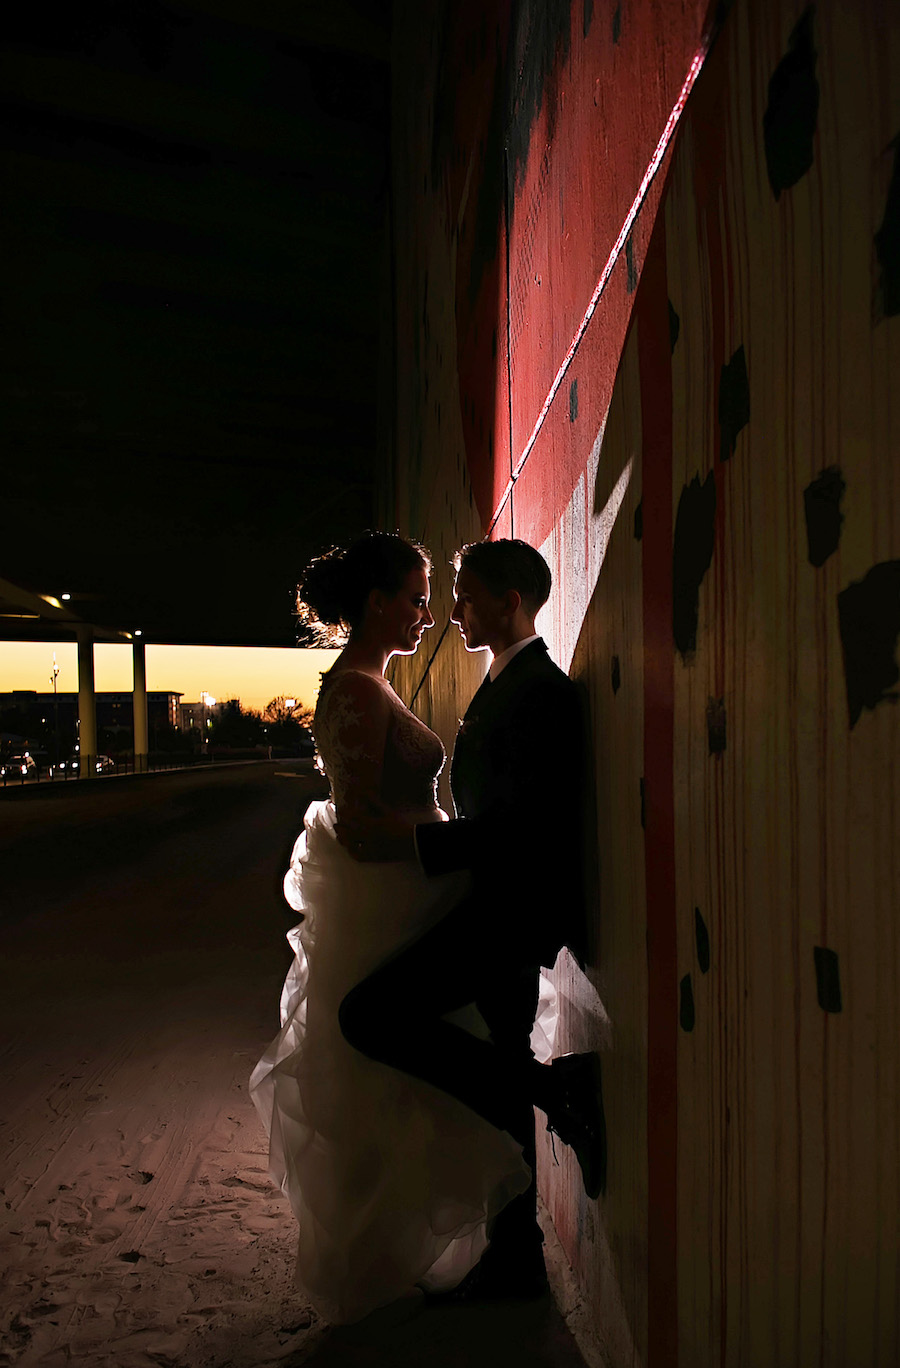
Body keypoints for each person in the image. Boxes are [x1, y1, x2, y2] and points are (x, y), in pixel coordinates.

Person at [249, 531, 533, 1325]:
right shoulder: (355, 693)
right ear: (375, 604)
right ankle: (379, 1258)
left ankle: (446, 1251)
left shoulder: (370, 683)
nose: (425, 616)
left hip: (411, 890)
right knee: (385, 1085)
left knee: (405, 1090)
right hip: (395, 902)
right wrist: (456, 848)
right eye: (413, 599)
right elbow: (365, 826)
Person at [337, 538, 606, 1301]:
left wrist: (414, 842)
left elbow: (519, 828)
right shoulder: (505, 682)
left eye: (464, 598)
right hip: (490, 902)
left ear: (507, 604)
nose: (451, 613)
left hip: (512, 912)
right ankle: (516, 1250)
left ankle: (558, 1095)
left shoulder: (541, 691)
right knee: (499, 1055)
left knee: (371, 1016)